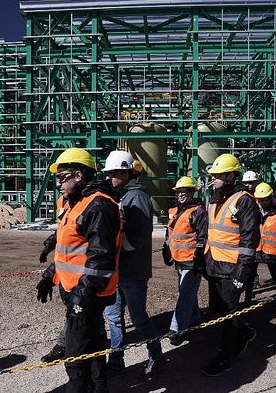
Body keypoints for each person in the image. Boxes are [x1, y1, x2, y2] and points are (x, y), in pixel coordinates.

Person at [35, 147, 121, 392]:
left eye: (62, 177)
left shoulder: (99, 206)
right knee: (92, 345)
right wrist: (49, 275)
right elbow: (70, 250)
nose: (59, 183)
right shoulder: (76, 203)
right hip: (77, 289)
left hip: (88, 292)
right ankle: (98, 387)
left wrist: (83, 296)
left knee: (75, 353)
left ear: (79, 176)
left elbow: (100, 259)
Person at [101, 150, 166, 378]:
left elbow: (139, 234)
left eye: (112, 175)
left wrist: (115, 246)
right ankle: (116, 359)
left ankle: (157, 357)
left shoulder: (136, 196)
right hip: (119, 269)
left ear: (125, 174)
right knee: (114, 316)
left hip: (133, 271)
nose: (109, 179)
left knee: (138, 319)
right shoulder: (123, 195)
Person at [201, 154, 259, 377]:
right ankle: (243, 332)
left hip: (232, 268)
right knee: (218, 311)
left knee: (228, 314)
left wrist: (241, 275)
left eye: (217, 176)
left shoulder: (243, 200)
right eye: (213, 176)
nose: (213, 179)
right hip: (214, 266)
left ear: (231, 175)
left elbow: (249, 241)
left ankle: (226, 357)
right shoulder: (215, 199)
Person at [162, 176, 207, 346]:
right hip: (179, 259)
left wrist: (199, 258)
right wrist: (167, 249)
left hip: (191, 260)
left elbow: (203, 237)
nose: (181, 195)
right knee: (187, 292)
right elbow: (171, 234)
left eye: (185, 192)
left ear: (192, 193)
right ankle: (194, 319)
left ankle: (177, 328)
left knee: (185, 294)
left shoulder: (198, 212)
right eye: (179, 192)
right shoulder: (175, 211)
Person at [38, 194, 69, 363]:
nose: (60, 181)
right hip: (66, 274)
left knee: (76, 314)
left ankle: (62, 346)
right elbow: (64, 229)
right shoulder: (63, 199)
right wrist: (51, 243)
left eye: (64, 176)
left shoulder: (90, 203)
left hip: (83, 279)